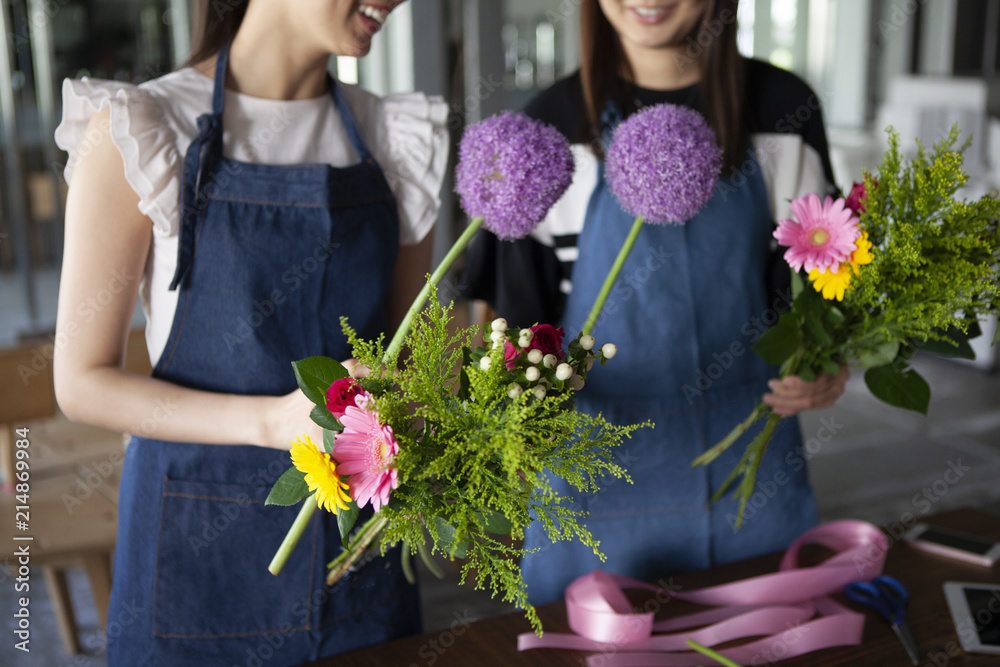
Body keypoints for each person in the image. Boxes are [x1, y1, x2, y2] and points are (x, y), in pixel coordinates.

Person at [52, 1, 447, 664]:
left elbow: (408, 361)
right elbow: (81, 383)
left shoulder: (397, 137)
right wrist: (274, 422)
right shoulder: (144, 126)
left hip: (359, 566)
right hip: (191, 567)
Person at [462, 0, 850, 605]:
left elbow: (812, 301)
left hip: (749, 476)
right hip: (592, 489)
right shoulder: (546, 132)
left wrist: (824, 365)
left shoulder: (782, 110)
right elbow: (513, 334)